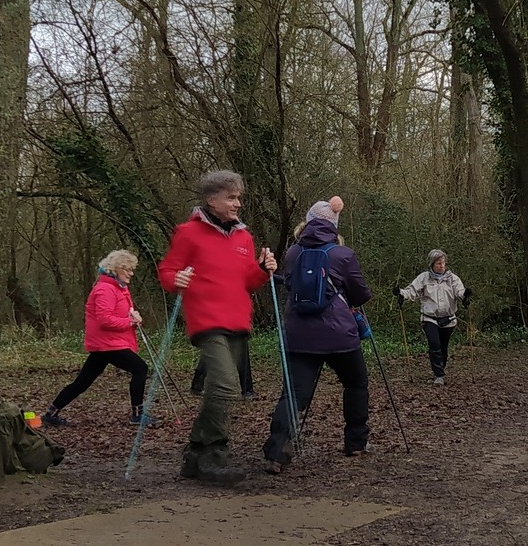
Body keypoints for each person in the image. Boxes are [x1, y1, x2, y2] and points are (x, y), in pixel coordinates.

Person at [158, 169, 278, 484]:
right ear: (212, 200)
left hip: (238, 320)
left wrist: (264, 270)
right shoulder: (188, 232)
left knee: (217, 390)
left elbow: (248, 281)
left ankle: (195, 457)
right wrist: (175, 279)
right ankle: (215, 456)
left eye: (238, 197)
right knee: (226, 386)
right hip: (207, 320)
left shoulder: (243, 236)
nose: (237, 203)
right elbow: (167, 270)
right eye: (231, 197)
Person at [265, 200, 372, 472]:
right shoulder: (342, 253)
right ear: (333, 225)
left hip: (299, 335)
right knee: (356, 383)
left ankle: (276, 451)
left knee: (294, 393)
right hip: (339, 335)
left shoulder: (292, 252)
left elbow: (288, 285)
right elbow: (361, 295)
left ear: (308, 222)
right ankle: (355, 443)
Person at [44, 249, 153, 427]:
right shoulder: (105, 289)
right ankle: (137, 414)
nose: (131, 273)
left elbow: (120, 314)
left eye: (132, 269)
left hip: (107, 343)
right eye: (127, 269)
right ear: (116, 269)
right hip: (108, 344)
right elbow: (105, 320)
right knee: (140, 368)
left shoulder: (118, 289)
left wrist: (133, 317)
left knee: (83, 381)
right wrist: (130, 322)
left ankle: (51, 413)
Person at [398, 249, 468, 385]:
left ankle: (440, 368)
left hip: (448, 319)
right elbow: (412, 291)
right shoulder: (424, 277)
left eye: (443, 263)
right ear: (432, 264)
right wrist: (401, 293)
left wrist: (465, 296)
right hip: (429, 318)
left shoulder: (452, 278)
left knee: (443, 347)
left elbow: (460, 291)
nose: (442, 266)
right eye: (438, 264)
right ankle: (439, 375)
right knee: (434, 344)